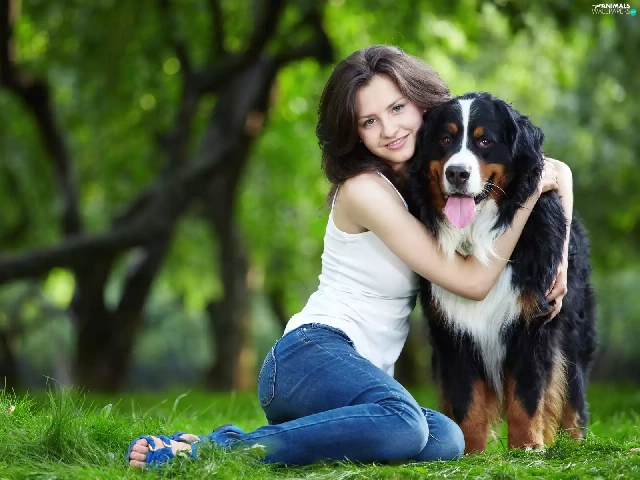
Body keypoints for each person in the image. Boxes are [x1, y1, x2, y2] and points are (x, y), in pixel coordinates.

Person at [127, 45, 572, 468]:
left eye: (397, 108)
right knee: (405, 424)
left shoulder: (428, 181)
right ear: (353, 132)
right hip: (309, 355)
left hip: (357, 381)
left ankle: (296, 436)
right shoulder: (364, 190)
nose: (389, 129)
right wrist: (529, 197)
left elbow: (558, 171)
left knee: (446, 439)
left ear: (421, 103)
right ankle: (216, 448)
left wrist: (561, 263)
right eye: (369, 121)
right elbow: (472, 282)